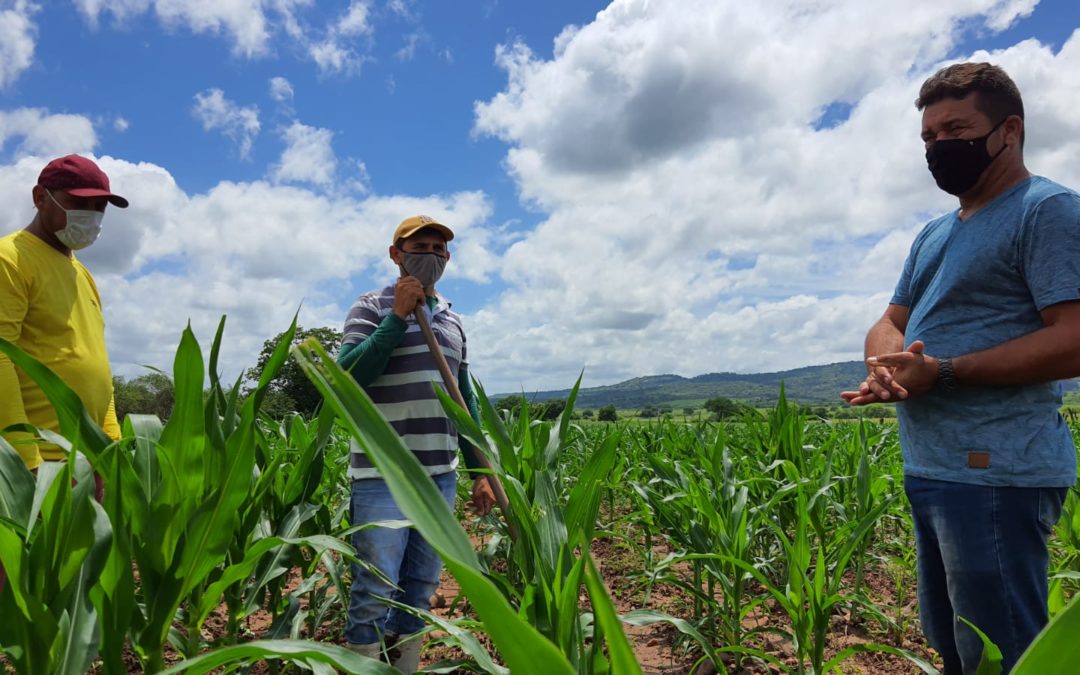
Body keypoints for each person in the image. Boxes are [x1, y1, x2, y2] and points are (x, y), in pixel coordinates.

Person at [841, 63, 1078, 674]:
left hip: (997, 473)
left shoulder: (1046, 211)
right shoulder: (935, 233)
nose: (939, 147)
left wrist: (944, 372)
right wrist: (885, 362)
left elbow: (1075, 339)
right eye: (928, 138)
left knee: (999, 653)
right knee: (952, 643)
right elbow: (890, 319)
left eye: (955, 129)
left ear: (1009, 131)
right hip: (934, 466)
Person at [336, 215, 495, 670]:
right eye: (419, 246)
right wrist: (397, 317)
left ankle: (401, 665)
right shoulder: (370, 306)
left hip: (439, 476)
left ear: (447, 258)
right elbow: (347, 376)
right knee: (374, 587)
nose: (430, 255)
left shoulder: (452, 320)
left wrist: (481, 472)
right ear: (396, 255)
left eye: (438, 249)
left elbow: (464, 404)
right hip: (381, 474)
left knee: (421, 585)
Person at [0, 154, 128, 472]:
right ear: (41, 198)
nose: (92, 215)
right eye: (79, 203)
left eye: (100, 207)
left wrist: (112, 441)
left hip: (92, 461)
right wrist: (23, 462)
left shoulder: (82, 274)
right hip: (45, 464)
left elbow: (97, 365)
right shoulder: (10, 259)